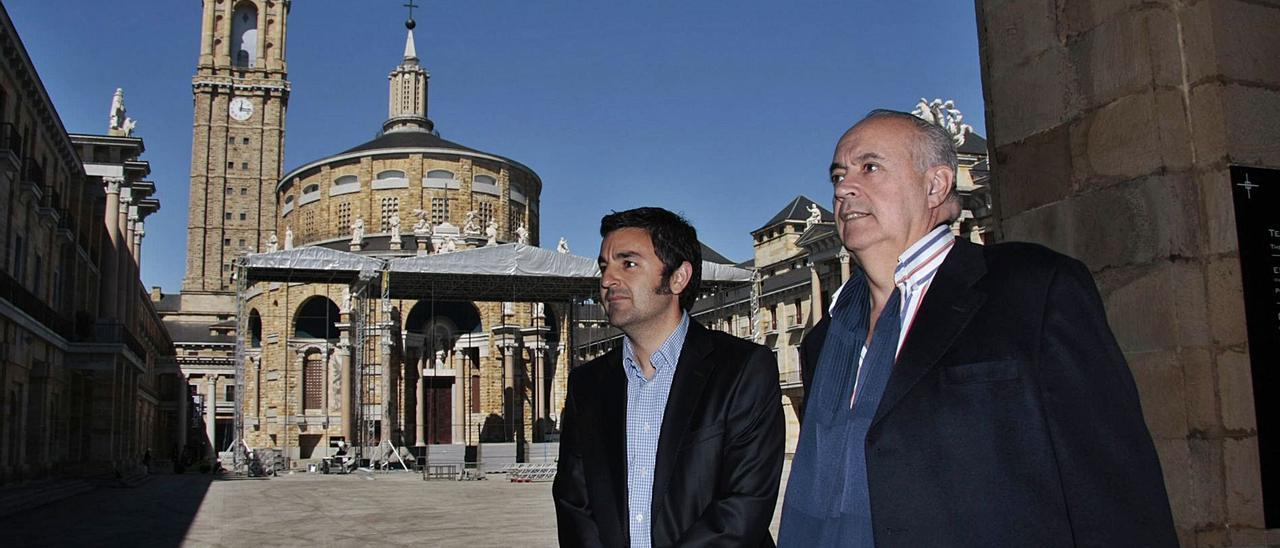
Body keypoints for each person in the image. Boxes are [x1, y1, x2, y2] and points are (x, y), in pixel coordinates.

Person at [777, 110, 1177, 546]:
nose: (844, 188)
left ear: (936, 185)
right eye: (838, 174)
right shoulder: (824, 340)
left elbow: (1113, 489)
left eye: (869, 168)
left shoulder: (1030, 290)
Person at [554, 207, 784, 547]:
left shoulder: (742, 369)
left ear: (678, 277)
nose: (607, 280)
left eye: (628, 263)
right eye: (604, 266)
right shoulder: (586, 385)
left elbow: (743, 505)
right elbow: (574, 504)